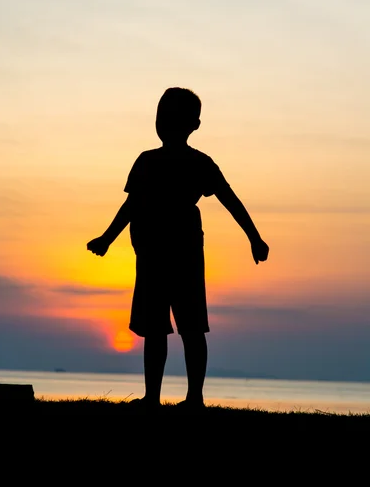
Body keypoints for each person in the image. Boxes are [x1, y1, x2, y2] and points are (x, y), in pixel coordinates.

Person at [87, 87, 269, 411]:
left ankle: (193, 397)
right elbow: (131, 205)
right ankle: (153, 397)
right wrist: (106, 238)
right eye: (161, 117)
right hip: (151, 253)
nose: (164, 123)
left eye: (170, 118)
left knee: (190, 326)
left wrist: (254, 237)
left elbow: (230, 200)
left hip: (182, 253)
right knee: (155, 328)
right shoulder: (146, 161)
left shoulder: (199, 163)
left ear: (194, 125)